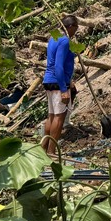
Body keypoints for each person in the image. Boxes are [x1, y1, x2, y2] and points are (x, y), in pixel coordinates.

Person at [42, 15, 79, 153]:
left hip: (49, 81)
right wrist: (64, 88)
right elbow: (58, 66)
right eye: (76, 27)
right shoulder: (64, 41)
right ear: (70, 27)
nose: (76, 30)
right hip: (58, 83)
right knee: (59, 117)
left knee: (51, 116)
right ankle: (51, 152)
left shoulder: (54, 39)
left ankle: (43, 148)